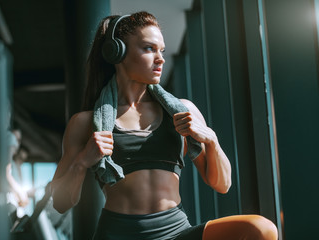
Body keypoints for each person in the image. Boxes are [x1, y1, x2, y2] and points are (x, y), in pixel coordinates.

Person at [50, 11, 278, 240]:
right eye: (149, 48)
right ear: (116, 52)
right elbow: (60, 202)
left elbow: (222, 184)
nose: (160, 58)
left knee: (261, 230)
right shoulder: (85, 123)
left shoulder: (181, 111)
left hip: (175, 233)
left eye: (162, 50)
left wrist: (210, 139)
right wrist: (81, 162)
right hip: (117, 234)